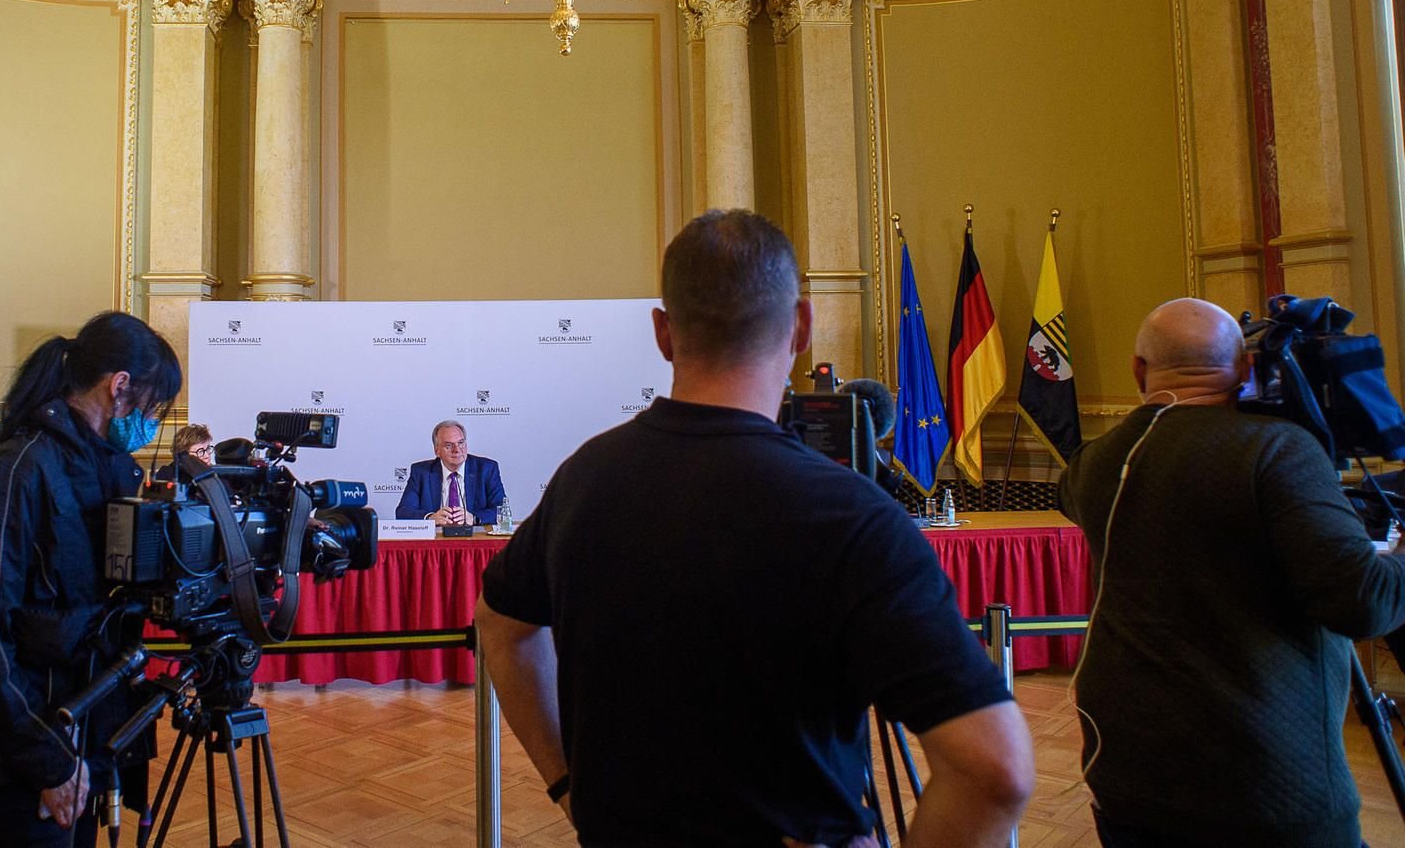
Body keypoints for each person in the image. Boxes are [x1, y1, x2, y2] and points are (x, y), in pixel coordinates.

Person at [476, 209, 1034, 847]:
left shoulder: (582, 480)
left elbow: (499, 625)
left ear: (663, 332)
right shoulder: (852, 516)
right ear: (801, 325)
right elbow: (996, 770)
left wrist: (566, 786)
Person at [1058, 297, 1405, 848]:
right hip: (1266, 791)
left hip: (1128, 779)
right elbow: (1365, 601)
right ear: (1244, 370)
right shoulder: (1279, 452)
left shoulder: (1094, 464)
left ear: (1138, 369)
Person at [0, 311, 181, 848]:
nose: (152, 422)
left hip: (82, 738)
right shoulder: (17, 471)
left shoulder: (101, 467)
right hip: (23, 758)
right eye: (154, 406)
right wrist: (47, 762)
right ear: (120, 387)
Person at [395, 420, 506, 525]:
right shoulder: (421, 472)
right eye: (449, 445)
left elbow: (501, 509)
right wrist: (430, 518)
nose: (457, 450)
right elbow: (403, 511)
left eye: (461, 443)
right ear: (437, 451)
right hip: (436, 540)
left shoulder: (486, 469)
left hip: (473, 537)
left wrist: (474, 518)